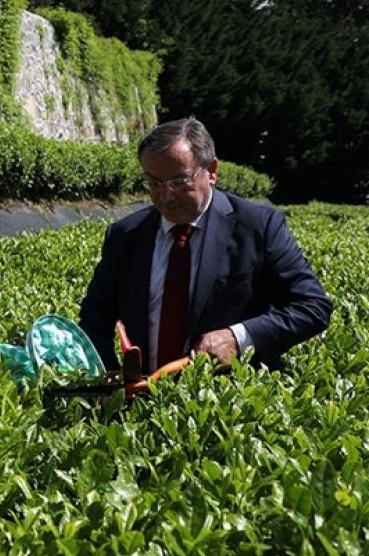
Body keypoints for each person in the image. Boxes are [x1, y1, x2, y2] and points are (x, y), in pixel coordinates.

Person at [79, 117, 332, 372]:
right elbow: (96, 314)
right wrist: (109, 377)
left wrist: (238, 337)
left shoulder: (258, 227)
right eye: (154, 183)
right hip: (141, 400)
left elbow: (312, 306)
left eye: (179, 182)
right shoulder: (126, 235)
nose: (166, 197)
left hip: (227, 402)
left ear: (211, 171)